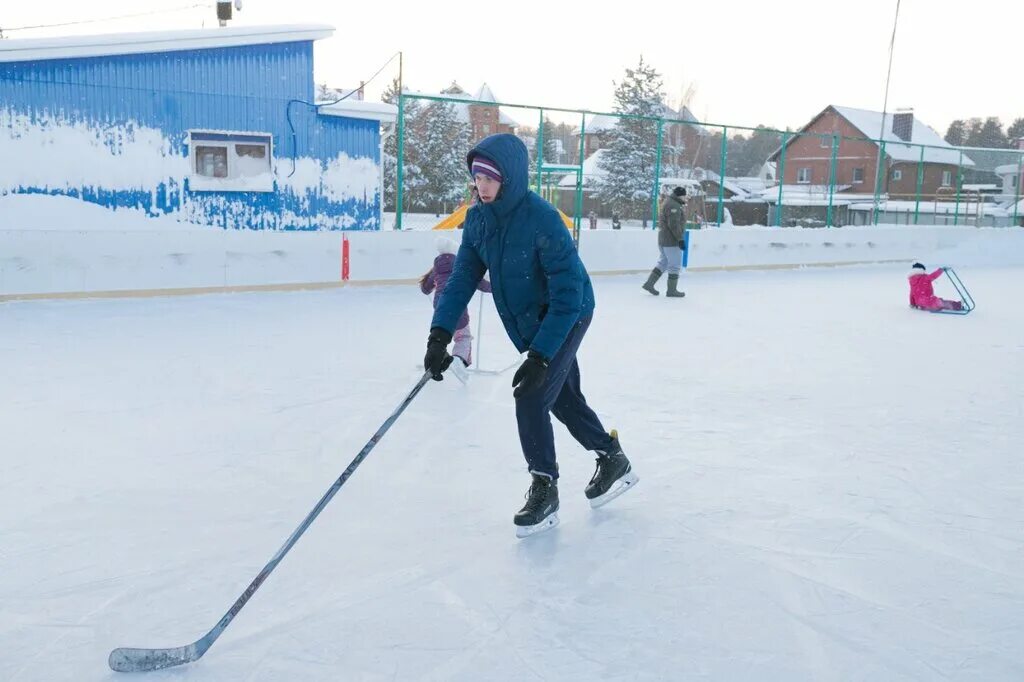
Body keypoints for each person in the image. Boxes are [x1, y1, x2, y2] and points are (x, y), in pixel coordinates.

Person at [422, 133, 638, 538]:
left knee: (532, 395)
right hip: (529, 319)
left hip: (567, 314)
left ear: (510, 177)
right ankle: (612, 459)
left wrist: (540, 356)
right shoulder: (479, 219)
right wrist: (439, 333)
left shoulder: (542, 219)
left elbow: (569, 295)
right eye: (476, 178)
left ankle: (545, 488)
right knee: (563, 400)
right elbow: (463, 276)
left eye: (489, 178)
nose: (481, 186)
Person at [419, 237, 491, 377]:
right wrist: (493, 286)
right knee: (463, 337)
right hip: (457, 306)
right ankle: (458, 360)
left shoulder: (436, 268)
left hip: (440, 307)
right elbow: (479, 283)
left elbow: (425, 288)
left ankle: (438, 354)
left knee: (442, 333)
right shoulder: (462, 265)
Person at [641, 186, 687, 298]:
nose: (685, 198)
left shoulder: (669, 202)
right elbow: (674, 224)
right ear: (680, 195)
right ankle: (672, 290)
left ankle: (649, 284)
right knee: (675, 265)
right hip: (671, 241)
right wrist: (680, 239)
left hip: (664, 239)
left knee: (663, 263)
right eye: (684, 196)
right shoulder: (674, 205)